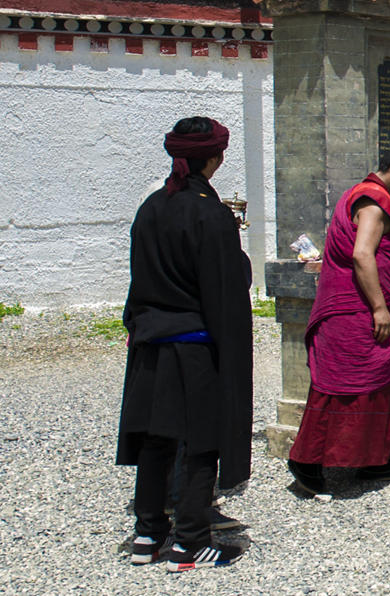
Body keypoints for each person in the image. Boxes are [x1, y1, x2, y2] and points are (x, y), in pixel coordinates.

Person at [117, 116, 253, 571]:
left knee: (157, 439)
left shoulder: (151, 207)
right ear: (215, 158)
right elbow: (223, 287)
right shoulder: (208, 213)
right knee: (200, 442)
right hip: (193, 345)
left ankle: (148, 533)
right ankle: (190, 541)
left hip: (152, 342)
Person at [287, 145, 390, 500]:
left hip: (365, 309)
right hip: (358, 313)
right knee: (343, 387)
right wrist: (380, 308)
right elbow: (362, 254)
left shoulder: (361, 193)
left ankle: (373, 459)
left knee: (380, 383)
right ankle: (307, 462)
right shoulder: (374, 201)